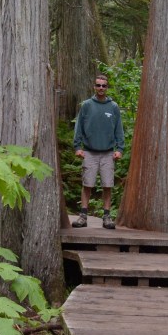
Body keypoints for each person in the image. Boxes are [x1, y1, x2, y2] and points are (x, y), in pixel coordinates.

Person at [72, 74, 124, 229]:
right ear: (94, 87)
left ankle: (107, 216)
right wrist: (77, 147)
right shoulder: (87, 105)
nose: (101, 88)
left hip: (108, 152)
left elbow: (119, 129)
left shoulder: (113, 107)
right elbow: (79, 127)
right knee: (87, 184)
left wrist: (119, 149)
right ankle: (83, 216)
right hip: (89, 152)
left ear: (107, 88)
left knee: (107, 185)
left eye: (104, 86)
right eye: (98, 85)